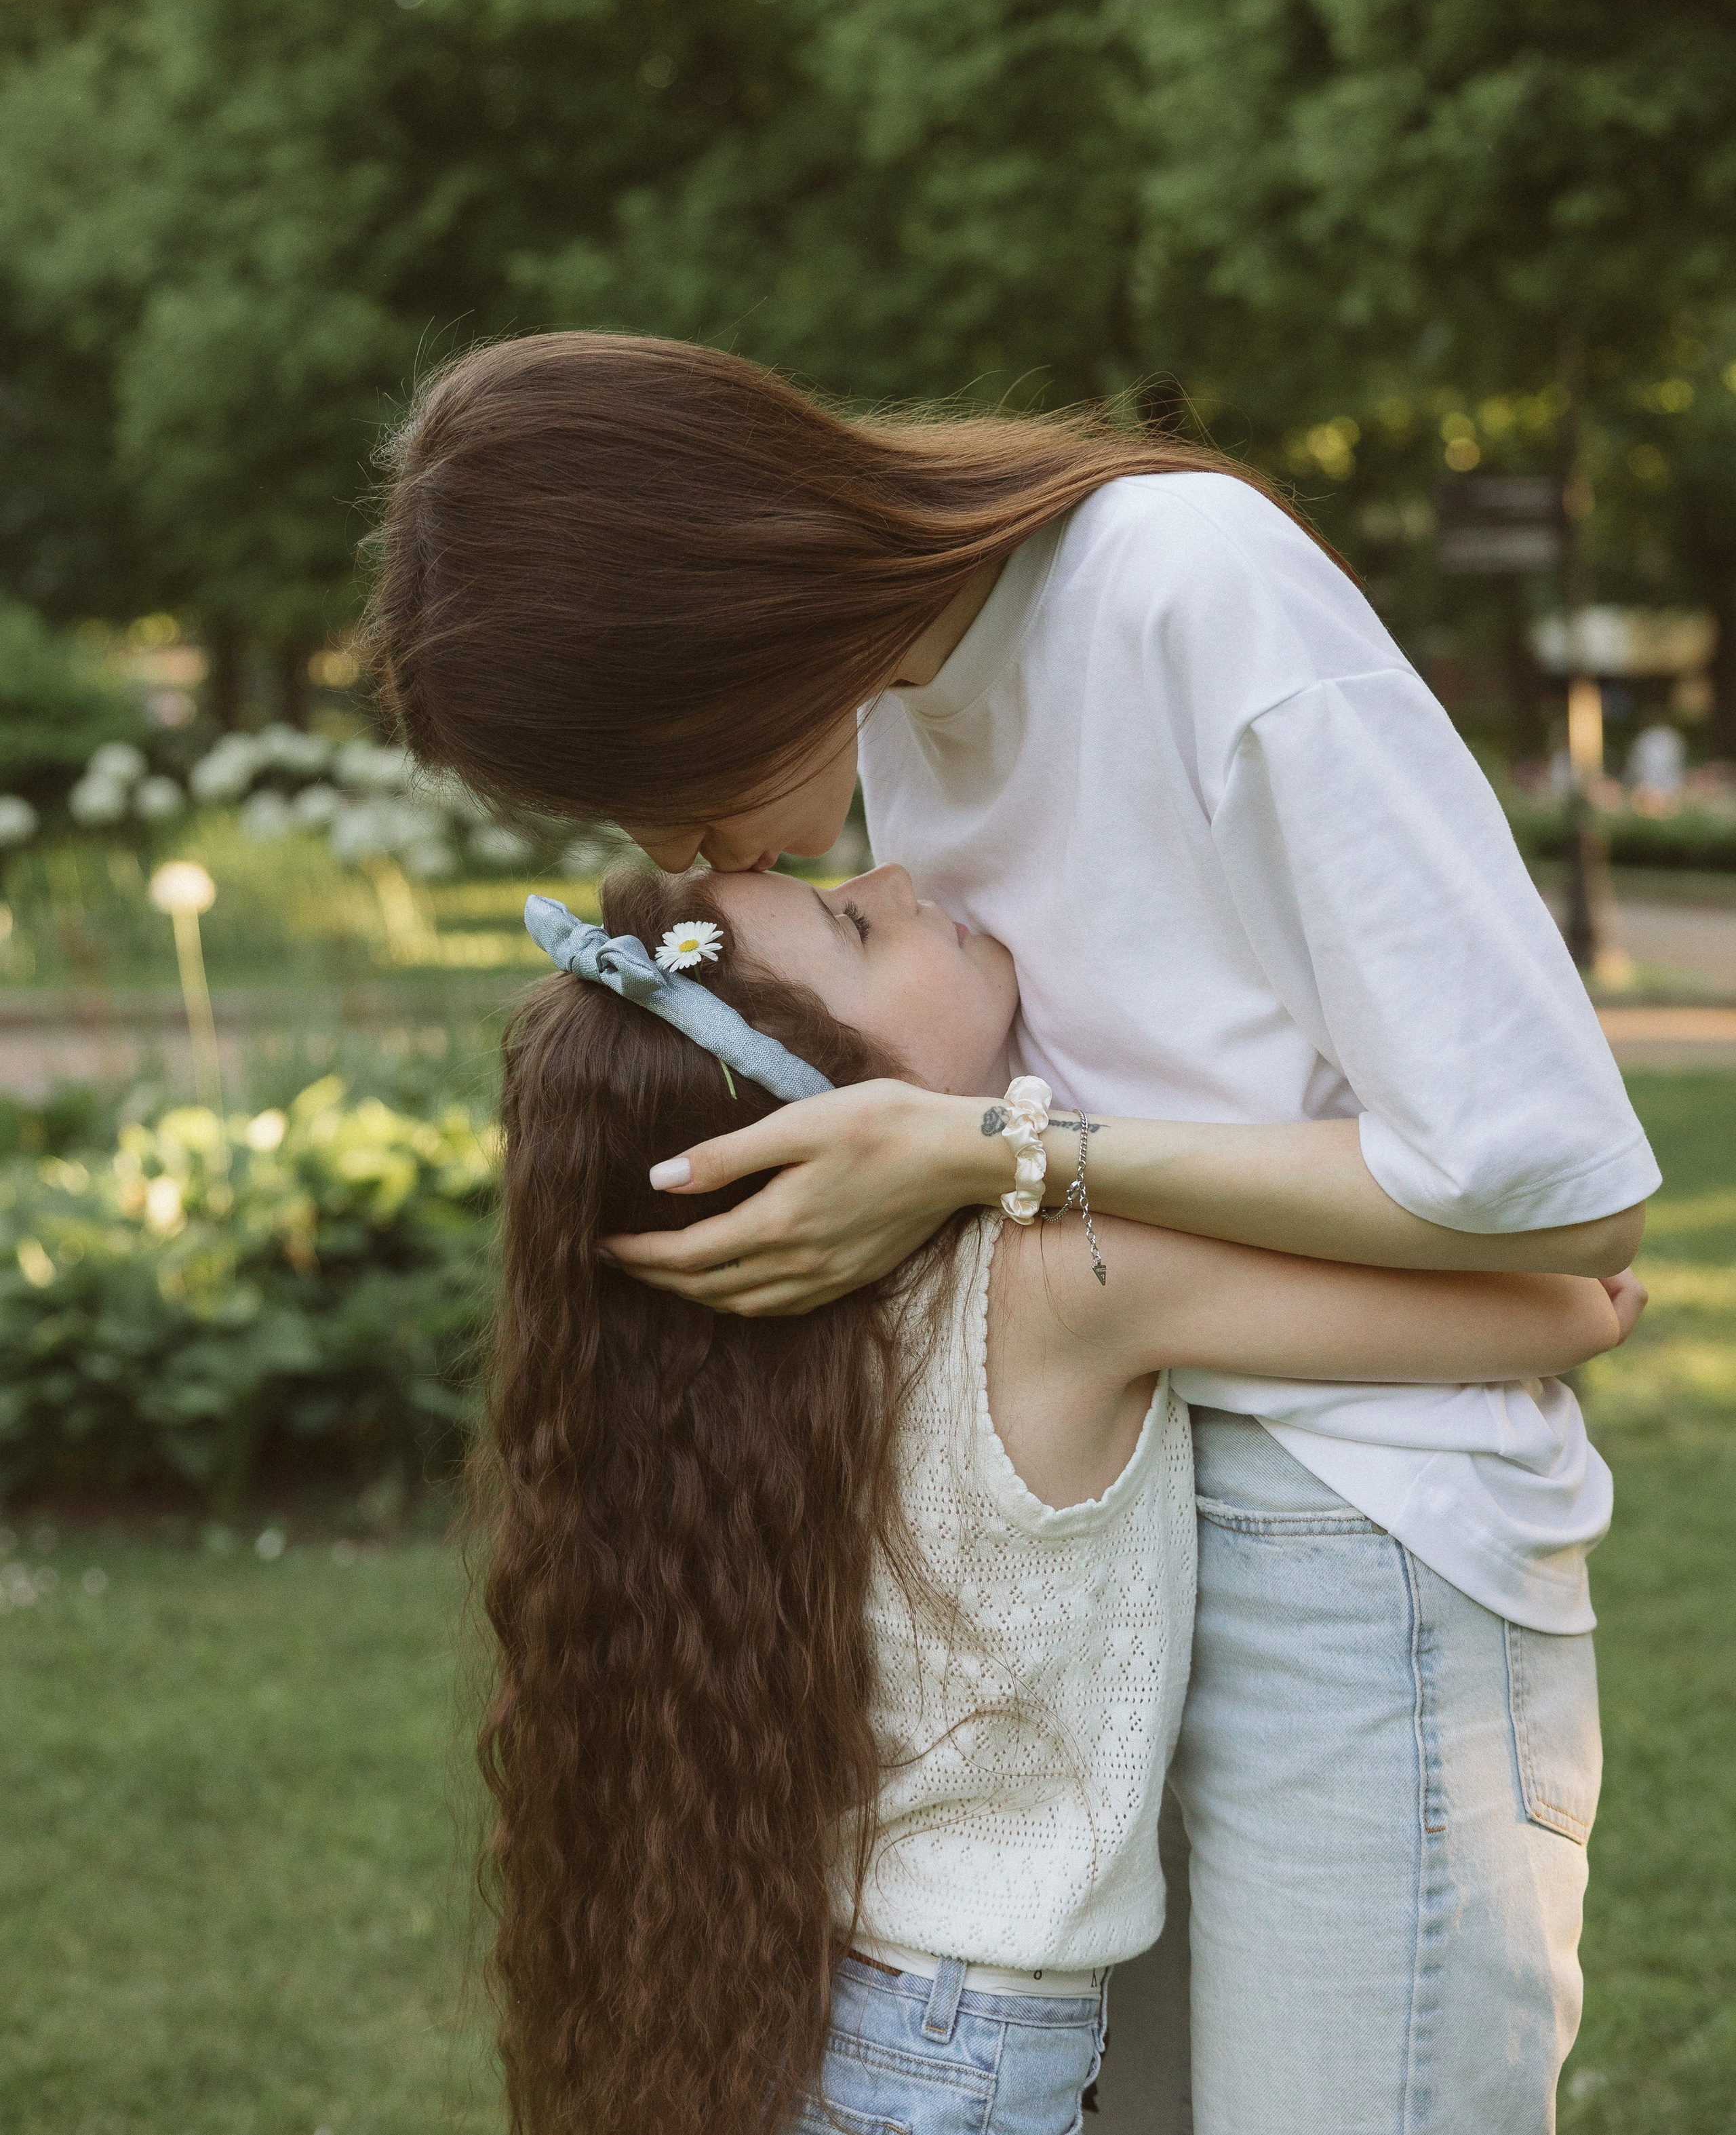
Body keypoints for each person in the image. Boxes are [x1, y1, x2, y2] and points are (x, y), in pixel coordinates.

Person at [368, 331, 1659, 2133]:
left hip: (1356, 1527)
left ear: (723, 627)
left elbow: (1555, 1182)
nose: (681, 849)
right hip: (1118, 1538)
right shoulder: (904, 696)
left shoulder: (1182, 596)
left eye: (650, 772)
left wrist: (1001, 1151)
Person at [478, 857, 1642, 2135]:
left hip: (813, 2013)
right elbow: (1561, 1304)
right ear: (849, 1105)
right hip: (952, 2060)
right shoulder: (1048, 1288)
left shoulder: (729, 1391)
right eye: (856, 922)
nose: (895, 869)